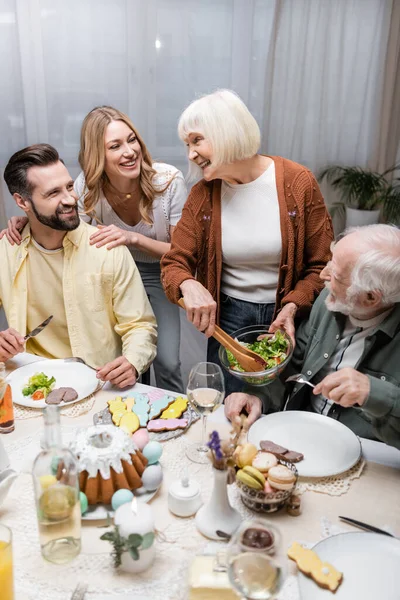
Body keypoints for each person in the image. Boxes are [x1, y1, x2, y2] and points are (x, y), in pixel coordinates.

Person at [2, 107, 187, 393]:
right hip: (36, 377)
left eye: (131, 140)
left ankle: (169, 403)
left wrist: (132, 361)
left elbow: (180, 253)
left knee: (167, 360)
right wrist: (26, 222)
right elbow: (63, 224)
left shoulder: (167, 182)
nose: (129, 151)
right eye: (115, 146)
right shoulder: (85, 188)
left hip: (159, 266)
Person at [161, 89, 333, 393]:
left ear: (226, 132)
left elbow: (322, 265)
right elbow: (174, 263)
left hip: (289, 319)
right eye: (187, 144)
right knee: (231, 412)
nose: (190, 154)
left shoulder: (298, 182)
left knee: (284, 409)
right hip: (229, 320)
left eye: (197, 140)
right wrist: (188, 284)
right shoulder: (203, 195)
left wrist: (293, 306)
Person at [224, 224, 400, 449]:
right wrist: (258, 396)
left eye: (335, 274)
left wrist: (374, 393)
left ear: (371, 298)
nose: (322, 275)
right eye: (330, 262)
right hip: (301, 435)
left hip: (366, 455)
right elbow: (293, 365)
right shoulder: (330, 301)